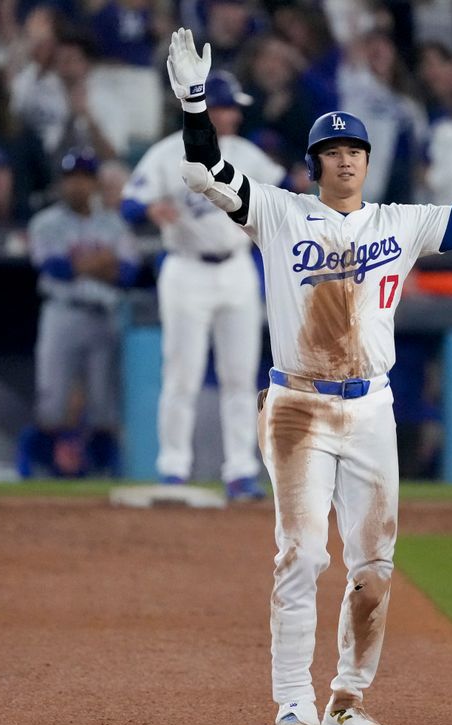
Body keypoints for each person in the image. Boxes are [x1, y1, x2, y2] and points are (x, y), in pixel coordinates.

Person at [164, 28, 452, 725]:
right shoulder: (278, 211)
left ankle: (347, 699)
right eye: (333, 152)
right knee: (301, 555)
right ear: (314, 165)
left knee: (374, 571)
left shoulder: (402, 224)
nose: (346, 161)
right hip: (297, 403)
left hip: (371, 408)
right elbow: (207, 161)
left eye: (355, 151)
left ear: (367, 160)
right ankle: (292, 702)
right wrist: (192, 101)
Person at [122, 71, 285, 500]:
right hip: (186, 269)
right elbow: (129, 201)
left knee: (240, 376)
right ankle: (173, 468)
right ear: (207, 108)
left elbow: (285, 191)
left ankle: (241, 471)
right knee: (182, 374)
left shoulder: (247, 154)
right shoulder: (165, 153)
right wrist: (148, 208)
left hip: (236, 269)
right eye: (228, 106)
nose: (234, 115)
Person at [18, 149, 140, 478]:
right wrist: (102, 261)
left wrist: (83, 265)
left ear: (95, 183)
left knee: (103, 404)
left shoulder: (113, 223)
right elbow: (55, 268)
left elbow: (128, 273)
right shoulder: (45, 222)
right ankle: (33, 473)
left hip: (104, 317)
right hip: (62, 314)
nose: (77, 185)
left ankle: (105, 476)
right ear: (62, 183)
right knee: (52, 400)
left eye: (84, 178)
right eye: (71, 178)